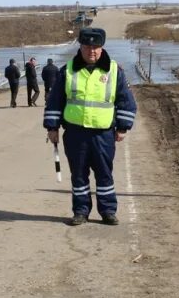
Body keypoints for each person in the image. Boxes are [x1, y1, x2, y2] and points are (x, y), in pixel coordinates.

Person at [43, 27, 137, 226]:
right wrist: (52, 128)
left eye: (96, 47)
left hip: (103, 134)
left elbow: (126, 101)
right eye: (87, 47)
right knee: (78, 175)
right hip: (75, 134)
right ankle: (81, 211)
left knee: (104, 174)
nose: (91, 51)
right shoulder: (67, 70)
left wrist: (122, 127)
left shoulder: (114, 70)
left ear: (101, 48)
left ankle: (108, 211)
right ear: (81, 47)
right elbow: (55, 101)